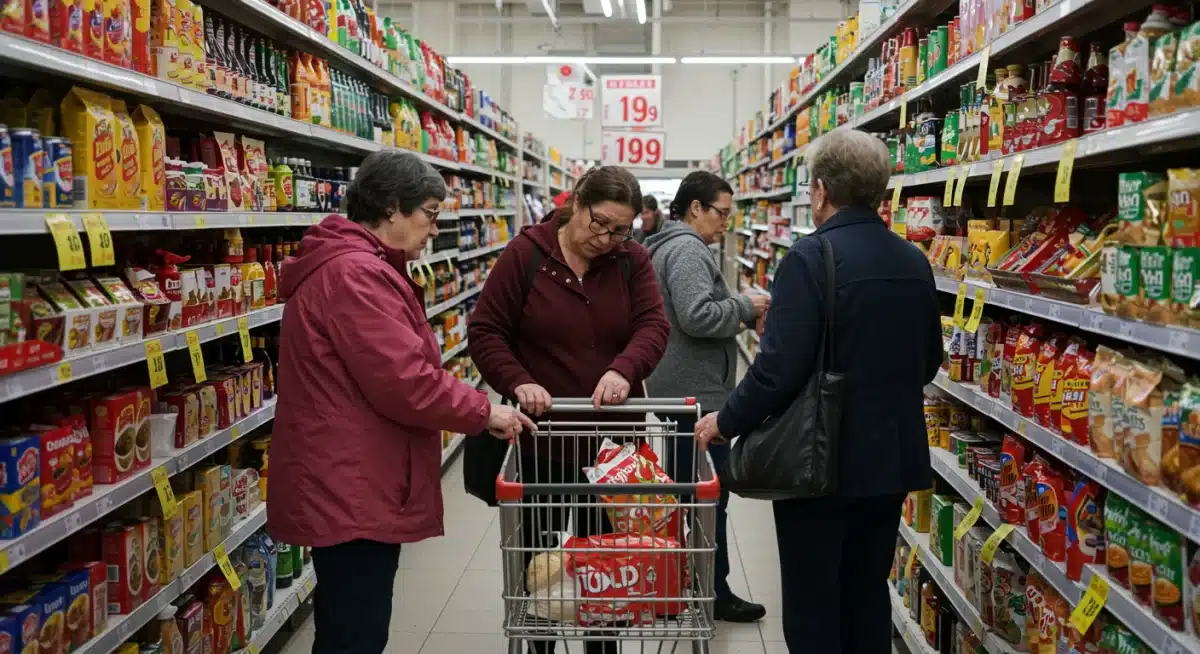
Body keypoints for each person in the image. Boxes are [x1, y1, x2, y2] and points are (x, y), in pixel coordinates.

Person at [268, 150, 535, 654]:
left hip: (350, 473)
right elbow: (406, 380)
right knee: (357, 631)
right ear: (392, 207)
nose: (435, 229)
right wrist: (484, 411)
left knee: (349, 621)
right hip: (349, 481)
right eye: (430, 213)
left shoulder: (357, 266)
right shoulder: (355, 275)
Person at [694, 130, 941, 654]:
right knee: (867, 592)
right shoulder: (914, 261)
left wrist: (725, 421)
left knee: (813, 602)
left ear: (822, 190)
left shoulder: (811, 258)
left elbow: (777, 370)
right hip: (890, 462)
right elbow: (929, 362)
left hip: (821, 463)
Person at [468, 166, 670, 654]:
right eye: (598, 222)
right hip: (540, 441)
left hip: (612, 455)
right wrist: (519, 382)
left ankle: (603, 646)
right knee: (539, 568)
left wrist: (625, 369)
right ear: (577, 203)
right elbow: (486, 332)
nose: (606, 237)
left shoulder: (632, 260)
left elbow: (653, 326)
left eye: (620, 229)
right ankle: (541, 646)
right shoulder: (525, 256)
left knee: (607, 568)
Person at [643, 171, 769, 623]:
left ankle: (688, 583)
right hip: (694, 397)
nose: (725, 224)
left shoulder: (667, 245)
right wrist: (744, 306)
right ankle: (711, 591)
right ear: (695, 208)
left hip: (680, 389)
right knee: (708, 496)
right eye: (722, 213)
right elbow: (697, 316)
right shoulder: (688, 250)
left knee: (691, 493)